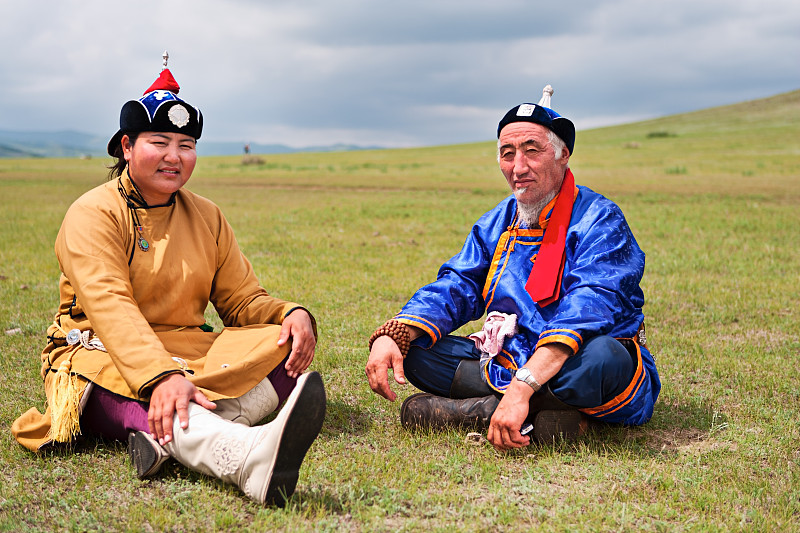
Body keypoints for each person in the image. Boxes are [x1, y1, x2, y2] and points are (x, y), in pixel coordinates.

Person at [11, 57, 326, 505]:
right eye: (159, 142)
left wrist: (289, 314)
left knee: (283, 346)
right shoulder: (93, 213)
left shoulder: (207, 215)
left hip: (187, 348)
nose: (174, 157)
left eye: (186, 145)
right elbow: (110, 306)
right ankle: (245, 458)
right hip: (101, 354)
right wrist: (161, 376)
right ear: (126, 146)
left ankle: (169, 442)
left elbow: (241, 300)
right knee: (140, 388)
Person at [365, 85, 660, 451]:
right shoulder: (498, 221)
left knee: (602, 359)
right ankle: (547, 416)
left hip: (575, 357)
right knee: (414, 352)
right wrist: (395, 334)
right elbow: (458, 284)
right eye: (508, 154)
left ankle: (488, 408)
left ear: (563, 154)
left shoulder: (599, 219)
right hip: (511, 353)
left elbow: (592, 305)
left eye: (531, 151)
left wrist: (523, 387)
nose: (518, 167)